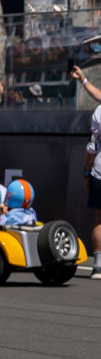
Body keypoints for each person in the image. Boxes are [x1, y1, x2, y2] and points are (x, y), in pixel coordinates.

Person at [75, 64, 101, 277]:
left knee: (99, 220)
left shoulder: (99, 112)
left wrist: (86, 172)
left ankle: (98, 266)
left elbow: (92, 149)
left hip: (99, 171)